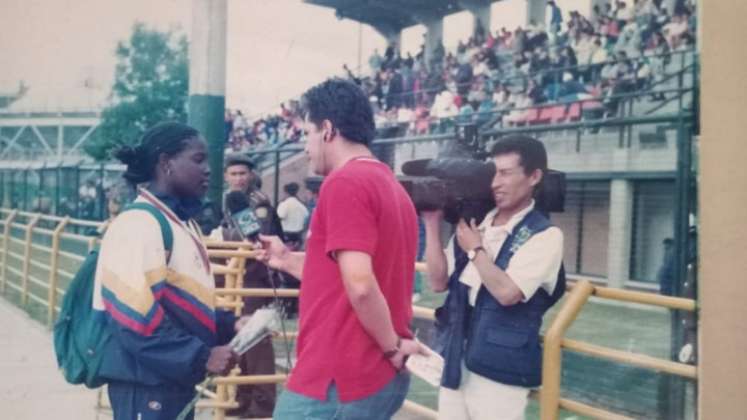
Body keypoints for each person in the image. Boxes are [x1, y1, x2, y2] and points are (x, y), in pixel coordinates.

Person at [258, 78, 425, 420]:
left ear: (328, 130)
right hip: (372, 376)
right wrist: (288, 260)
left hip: (340, 375)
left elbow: (361, 286)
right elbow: (349, 275)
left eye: (307, 133)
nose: (305, 147)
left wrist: (392, 347)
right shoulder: (392, 187)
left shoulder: (344, 182)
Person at [92, 122, 242, 420]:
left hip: (168, 381)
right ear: (165, 163)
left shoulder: (181, 222)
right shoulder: (139, 223)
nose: (208, 170)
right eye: (198, 160)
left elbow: (182, 304)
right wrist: (202, 356)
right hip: (145, 386)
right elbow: (133, 319)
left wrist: (231, 325)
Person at [422, 135, 566, 420]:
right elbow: (438, 282)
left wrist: (476, 250)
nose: (495, 183)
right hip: (455, 360)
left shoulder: (545, 235)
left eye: (505, 173)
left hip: (500, 372)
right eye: (493, 173)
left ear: (534, 176)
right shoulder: (477, 224)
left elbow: (508, 293)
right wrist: (431, 223)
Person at [210, 152, 284, 417]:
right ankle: (244, 397)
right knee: (241, 340)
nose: (239, 179)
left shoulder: (257, 203)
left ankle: (262, 405)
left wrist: (221, 236)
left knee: (257, 343)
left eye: (244, 174)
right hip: (238, 277)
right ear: (226, 177)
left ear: (252, 175)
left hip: (256, 278)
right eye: (234, 174)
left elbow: (255, 237)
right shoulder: (232, 201)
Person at [277, 182, 309, 249]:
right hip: (298, 236)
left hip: (286, 235)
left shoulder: (284, 204)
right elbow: (307, 216)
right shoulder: (301, 205)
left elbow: (279, 216)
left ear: (286, 193)